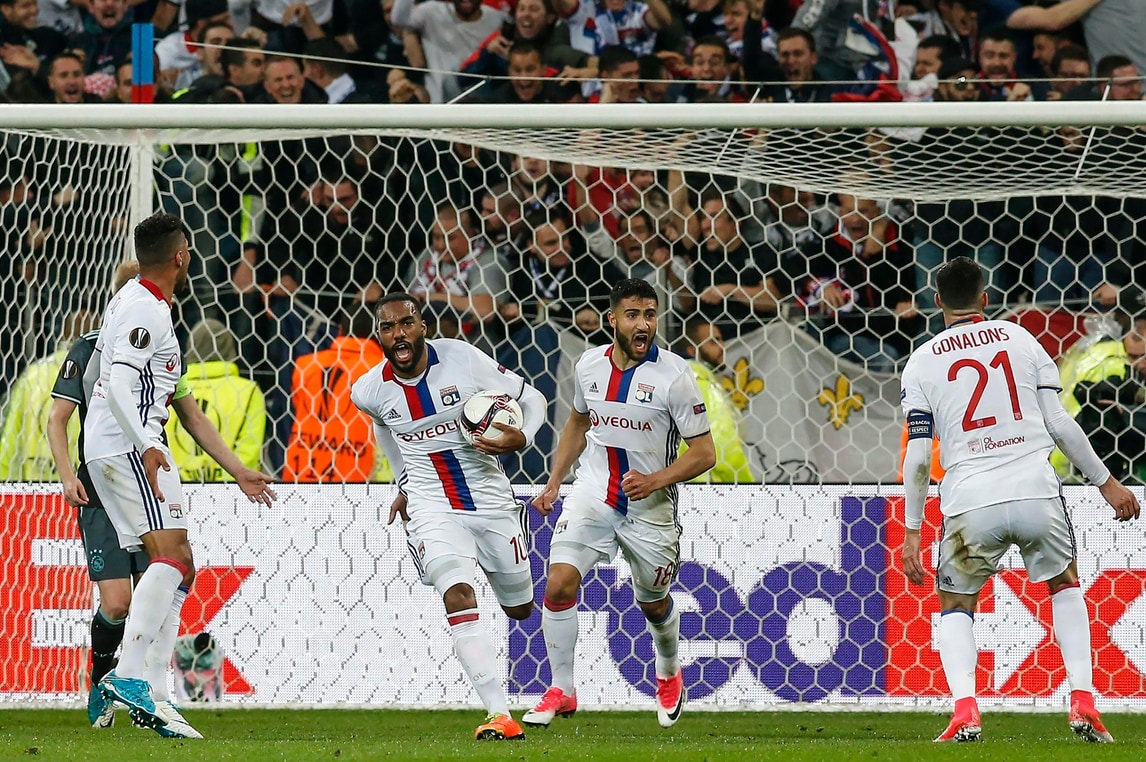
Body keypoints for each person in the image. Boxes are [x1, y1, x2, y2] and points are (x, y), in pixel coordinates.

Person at [899, 257, 1140, 743]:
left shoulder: (921, 362)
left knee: (956, 604)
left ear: (937, 301)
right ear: (986, 298)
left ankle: (965, 711)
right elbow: (1059, 422)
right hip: (1035, 490)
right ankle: (1083, 701)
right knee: (1065, 584)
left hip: (970, 500)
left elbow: (919, 456)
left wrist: (912, 530)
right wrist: (1106, 482)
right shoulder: (1021, 339)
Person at [85, 214, 276, 739]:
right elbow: (116, 385)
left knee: (180, 565)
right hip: (132, 446)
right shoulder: (144, 310)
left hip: (122, 443)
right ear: (181, 256)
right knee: (171, 558)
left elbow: (180, 406)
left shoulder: (135, 303)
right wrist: (144, 442)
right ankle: (128, 676)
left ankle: (157, 695)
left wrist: (238, 471)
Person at [350, 292, 547, 741]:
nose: (398, 334)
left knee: (520, 608)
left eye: (406, 323)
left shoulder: (463, 359)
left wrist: (522, 437)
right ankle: (500, 714)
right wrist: (404, 484)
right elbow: (383, 425)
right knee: (457, 592)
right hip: (431, 505)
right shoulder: (369, 390)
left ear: (422, 327)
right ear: (378, 335)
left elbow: (533, 398)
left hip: (491, 502)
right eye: (387, 327)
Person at [525, 278, 716, 729]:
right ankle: (562, 689)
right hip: (594, 491)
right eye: (633, 315)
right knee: (558, 584)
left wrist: (654, 480)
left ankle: (668, 670)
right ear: (612, 320)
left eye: (650, 315)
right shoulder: (588, 365)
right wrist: (554, 483)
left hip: (650, 508)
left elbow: (705, 453)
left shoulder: (675, 376)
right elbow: (577, 422)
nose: (643, 324)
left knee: (653, 604)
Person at [284, 302, 385, 482]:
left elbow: (298, 405)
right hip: (356, 481)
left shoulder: (306, 365)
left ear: (340, 330)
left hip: (300, 473)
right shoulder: (382, 372)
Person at [164, 319, 267, 483]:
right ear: (230, 348)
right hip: (232, 488)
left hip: (176, 485)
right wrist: (225, 483)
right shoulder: (248, 390)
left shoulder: (171, 388)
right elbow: (250, 450)